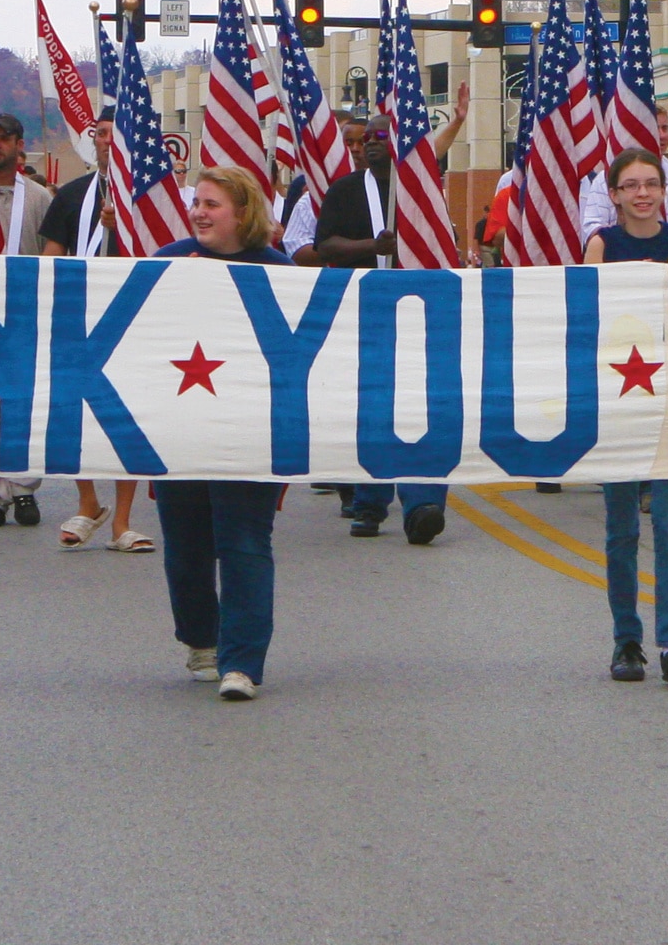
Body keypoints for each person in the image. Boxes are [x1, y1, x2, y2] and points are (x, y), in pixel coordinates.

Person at [150, 166, 292, 701]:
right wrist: (176, 289)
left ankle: (242, 663)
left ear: (242, 213)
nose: (200, 213)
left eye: (212, 204)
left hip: (251, 428)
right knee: (185, 549)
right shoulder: (168, 260)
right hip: (180, 427)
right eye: (198, 203)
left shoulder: (278, 270)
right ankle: (200, 638)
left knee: (244, 542)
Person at [582, 148, 668, 689]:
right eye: (630, 185)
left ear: (664, 190)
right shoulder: (601, 245)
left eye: (651, 184)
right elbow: (583, 318)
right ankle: (625, 639)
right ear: (613, 195)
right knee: (620, 528)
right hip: (617, 399)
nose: (641, 194)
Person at [309, 110, 449, 544]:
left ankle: (422, 504)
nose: (370, 143)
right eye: (366, 137)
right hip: (362, 309)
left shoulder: (421, 192)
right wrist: (373, 246)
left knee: (418, 405)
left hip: (417, 312)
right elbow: (324, 244)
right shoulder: (345, 191)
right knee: (372, 406)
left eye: (381, 137)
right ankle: (369, 503)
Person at [36, 121, 152, 553]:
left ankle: (122, 522)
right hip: (76, 320)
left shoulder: (149, 197)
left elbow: (162, 251)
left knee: (125, 418)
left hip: (130, 320)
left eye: (116, 133)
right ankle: (88, 502)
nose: (108, 141)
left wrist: (121, 227)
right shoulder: (70, 195)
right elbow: (51, 258)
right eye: (102, 133)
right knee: (72, 415)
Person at [0, 111, 51, 528]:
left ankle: (23, 489)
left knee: (23, 402)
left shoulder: (37, 197)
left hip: (23, 310)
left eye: (5, 139)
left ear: (20, 145)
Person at [576, 105, 668, 241]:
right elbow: (591, 227)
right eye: (655, 128)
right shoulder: (605, 179)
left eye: (665, 128)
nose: (663, 135)